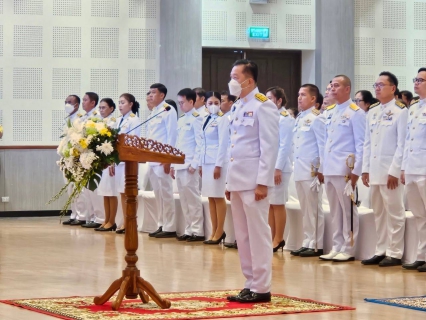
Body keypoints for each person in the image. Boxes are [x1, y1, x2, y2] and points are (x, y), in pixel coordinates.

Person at [225, 59, 279, 303]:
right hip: (237, 181)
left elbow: (269, 147)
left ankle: (262, 287)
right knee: (242, 236)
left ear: (249, 80)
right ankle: (249, 283)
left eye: (236, 77)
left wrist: (263, 182)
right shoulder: (238, 106)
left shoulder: (263, 106)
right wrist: (228, 183)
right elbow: (233, 146)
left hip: (254, 182)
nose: (232, 81)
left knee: (258, 234)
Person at [361, 72, 407, 267]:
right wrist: (365, 169)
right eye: (376, 84)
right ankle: (381, 249)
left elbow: (402, 144)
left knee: (394, 212)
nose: (377, 88)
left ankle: (395, 252)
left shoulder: (401, 111)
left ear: (393, 88)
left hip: (390, 172)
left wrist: (395, 170)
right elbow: (367, 143)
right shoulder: (372, 111)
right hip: (375, 171)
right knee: (378, 213)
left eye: (381, 85)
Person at [319, 75, 366, 262]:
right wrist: (322, 167)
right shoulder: (330, 112)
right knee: (334, 210)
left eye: (337, 86)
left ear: (347, 89)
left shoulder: (356, 113)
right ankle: (336, 245)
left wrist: (356, 172)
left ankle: (349, 247)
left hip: (345, 170)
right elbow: (326, 143)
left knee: (348, 210)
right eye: (331, 86)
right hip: (330, 167)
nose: (332, 89)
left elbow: (361, 145)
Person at [290, 84, 325, 257]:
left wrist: (321, 168)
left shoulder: (317, 118)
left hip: (312, 170)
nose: (299, 98)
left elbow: (322, 145)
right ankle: (307, 241)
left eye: (303, 95)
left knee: (314, 209)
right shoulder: (300, 117)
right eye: (298, 94)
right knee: (305, 209)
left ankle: (316, 243)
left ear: (313, 99)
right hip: (300, 169)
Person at [401, 68, 426, 271]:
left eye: (421, 80)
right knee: (419, 215)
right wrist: (403, 167)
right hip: (412, 168)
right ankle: (422, 254)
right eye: (415, 79)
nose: (416, 83)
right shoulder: (414, 107)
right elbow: (407, 141)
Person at [171, 88, 204, 242]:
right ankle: (188, 229)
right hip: (180, 164)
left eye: (182, 102)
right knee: (184, 199)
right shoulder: (181, 119)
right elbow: (178, 144)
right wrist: (172, 164)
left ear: (191, 101)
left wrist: (195, 163)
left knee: (193, 198)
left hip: (190, 164)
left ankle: (198, 230)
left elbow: (200, 143)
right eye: (179, 103)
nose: (180, 105)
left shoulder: (197, 118)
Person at [146, 83, 178, 238]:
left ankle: (170, 226)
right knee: (157, 194)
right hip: (151, 159)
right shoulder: (153, 112)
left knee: (166, 193)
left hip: (162, 159)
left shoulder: (168, 110)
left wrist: (168, 159)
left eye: (154, 93)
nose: (150, 95)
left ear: (162, 95)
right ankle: (161, 223)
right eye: (150, 93)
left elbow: (172, 136)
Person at [265, 86, 294, 252]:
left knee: (278, 203)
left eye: (270, 98)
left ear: (279, 101)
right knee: (269, 203)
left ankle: (279, 238)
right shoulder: (270, 117)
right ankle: (271, 237)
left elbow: (284, 146)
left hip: (280, 167)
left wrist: (277, 168)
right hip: (269, 166)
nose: (268, 101)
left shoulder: (285, 118)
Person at [200, 91, 230, 245]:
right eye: (210, 103)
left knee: (218, 196)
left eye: (216, 103)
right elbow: (202, 143)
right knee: (210, 197)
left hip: (217, 163)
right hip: (206, 162)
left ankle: (220, 230)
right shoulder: (205, 119)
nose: (213, 106)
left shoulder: (222, 119)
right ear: (205, 104)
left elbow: (223, 144)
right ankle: (213, 229)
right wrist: (200, 163)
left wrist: (218, 165)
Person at [73, 92, 105, 228]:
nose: (83, 102)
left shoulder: (97, 117)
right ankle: (90, 216)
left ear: (93, 102)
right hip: (83, 155)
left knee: (93, 188)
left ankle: (98, 217)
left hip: (92, 155)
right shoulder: (82, 117)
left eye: (85, 100)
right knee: (85, 190)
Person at [114, 93, 142, 234]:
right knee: (122, 193)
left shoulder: (134, 120)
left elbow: (134, 141)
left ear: (130, 104)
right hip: (119, 161)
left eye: (123, 102)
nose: (120, 105)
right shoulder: (118, 120)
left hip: (128, 161)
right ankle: (125, 220)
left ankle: (131, 221)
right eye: (119, 102)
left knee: (129, 193)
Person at [62, 95, 87, 226]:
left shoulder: (80, 118)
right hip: (67, 157)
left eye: (70, 102)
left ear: (77, 105)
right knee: (70, 188)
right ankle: (74, 214)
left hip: (76, 157)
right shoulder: (67, 119)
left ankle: (82, 215)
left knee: (79, 188)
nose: (67, 104)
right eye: (65, 102)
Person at [95, 98, 119, 232]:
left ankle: (112, 220)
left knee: (111, 192)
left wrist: (111, 162)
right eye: (100, 108)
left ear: (111, 108)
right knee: (105, 192)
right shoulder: (99, 122)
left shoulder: (113, 122)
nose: (101, 110)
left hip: (110, 161)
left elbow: (114, 143)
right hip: (102, 161)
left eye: (104, 107)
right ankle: (106, 219)